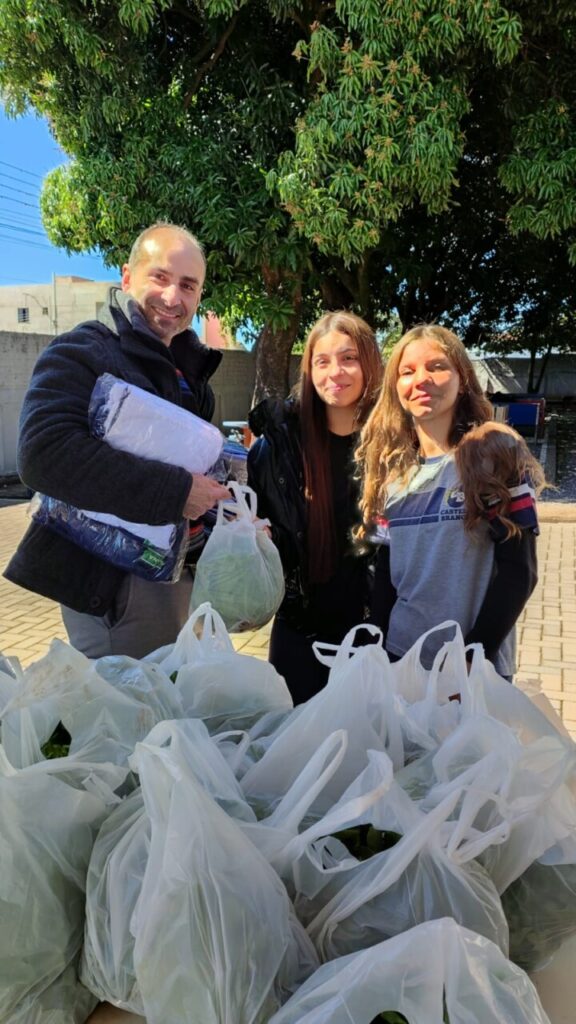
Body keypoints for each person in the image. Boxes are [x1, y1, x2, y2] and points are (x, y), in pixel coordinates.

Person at [4, 222, 230, 659]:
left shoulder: (187, 373)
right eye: (160, 277)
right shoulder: (84, 351)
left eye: (188, 285)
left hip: (177, 573)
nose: (172, 297)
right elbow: (42, 455)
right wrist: (178, 492)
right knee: (134, 719)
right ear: (127, 277)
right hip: (117, 589)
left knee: (171, 714)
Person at [356, 323, 544, 679]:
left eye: (437, 366)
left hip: (471, 670)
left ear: (463, 379)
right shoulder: (390, 473)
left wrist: (473, 658)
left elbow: (521, 571)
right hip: (401, 661)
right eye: (407, 372)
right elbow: (384, 575)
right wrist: (374, 651)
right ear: (396, 388)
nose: (421, 379)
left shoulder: (494, 455)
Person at [247, 310, 383, 703]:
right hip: (299, 632)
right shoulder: (277, 449)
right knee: (296, 749)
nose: (334, 372)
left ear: (370, 364)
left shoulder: (394, 445)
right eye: (321, 361)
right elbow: (255, 523)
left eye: (349, 358)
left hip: (373, 634)